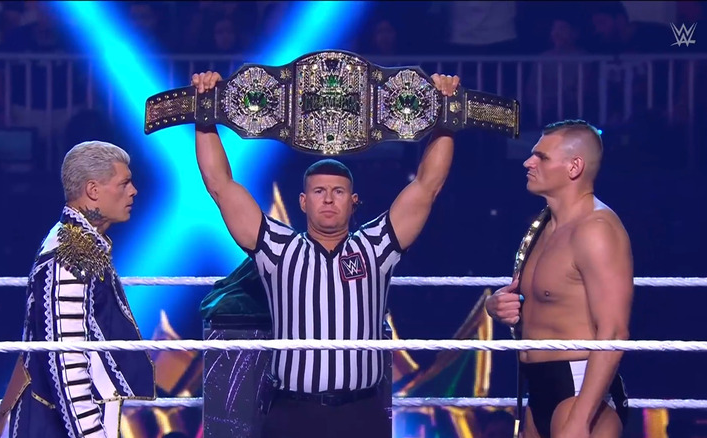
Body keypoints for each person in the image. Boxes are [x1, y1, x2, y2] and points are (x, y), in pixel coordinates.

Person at [191, 70, 459, 438]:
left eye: (337, 191)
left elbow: (428, 186)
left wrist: (444, 115)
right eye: (318, 191)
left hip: (361, 412)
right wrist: (205, 112)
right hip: (291, 411)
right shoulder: (278, 248)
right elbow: (220, 186)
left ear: (354, 201)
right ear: (303, 201)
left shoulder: (377, 247)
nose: (328, 199)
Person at [0, 141, 156, 438]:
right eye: (124, 183)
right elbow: (67, 363)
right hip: (54, 423)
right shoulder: (69, 254)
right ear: (93, 190)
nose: (133, 191)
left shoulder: (81, 243)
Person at [485, 120, 633, 438]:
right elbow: (542, 299)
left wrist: (581, 418)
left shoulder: (596, 230)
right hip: (537, 385)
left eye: (542, 157)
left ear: (574, 166)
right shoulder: (544, 226)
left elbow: (615, 331)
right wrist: (495, 305)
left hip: (580, 388)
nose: (528, 161)